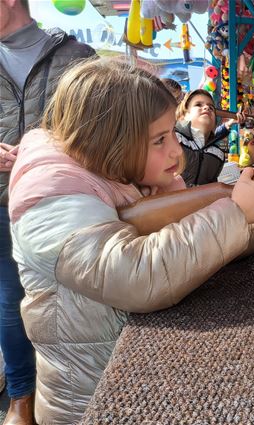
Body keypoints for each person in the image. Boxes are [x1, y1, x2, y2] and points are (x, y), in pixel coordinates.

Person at [8, 57, 254, 424]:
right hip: (91, 402)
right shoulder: (50, 198)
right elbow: (136, 275)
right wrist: (234, 213)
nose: (176, 151)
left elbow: (205, 245)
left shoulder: (122, 176)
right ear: (111, 140)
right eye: (159, 139)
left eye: (172, 133)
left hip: (140, 383)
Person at [0, 0, 95, 423]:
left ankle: (76, 390)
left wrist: (47, 151)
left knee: (75, 297)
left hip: (64, 201)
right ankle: (22, 395)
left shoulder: (76, 56)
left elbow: (101, 127)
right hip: (2, 203)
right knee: (9, 302)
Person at [175, 89, 245, 186]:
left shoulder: (218, 154)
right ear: (184, 115)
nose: (207, 107)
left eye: (211, 107)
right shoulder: (173, 139)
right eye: (198, 104)